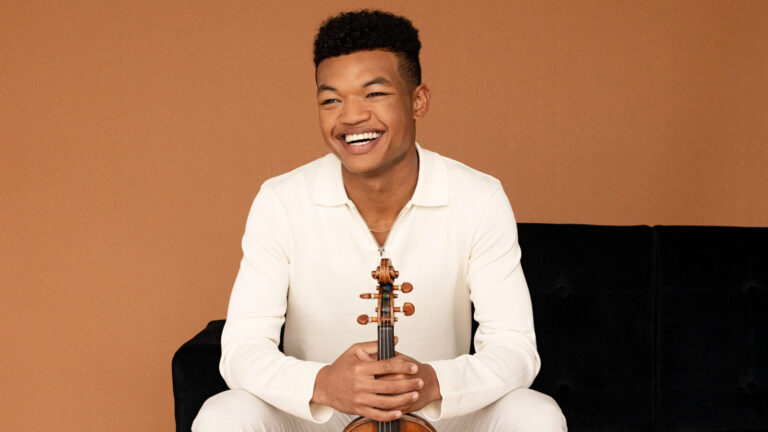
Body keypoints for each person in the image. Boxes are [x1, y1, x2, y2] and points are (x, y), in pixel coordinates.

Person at [193, 9, 566, 431]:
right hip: (322, 419)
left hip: (438, 416)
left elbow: (514, 348)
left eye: (373, 94)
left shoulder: (479, 198)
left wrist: (430, 382)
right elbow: (242, 349)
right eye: (331, 99)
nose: (350, 117)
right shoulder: (281, 201)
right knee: (223, 414)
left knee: (536, 413)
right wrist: (324, 384)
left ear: (418, 100)